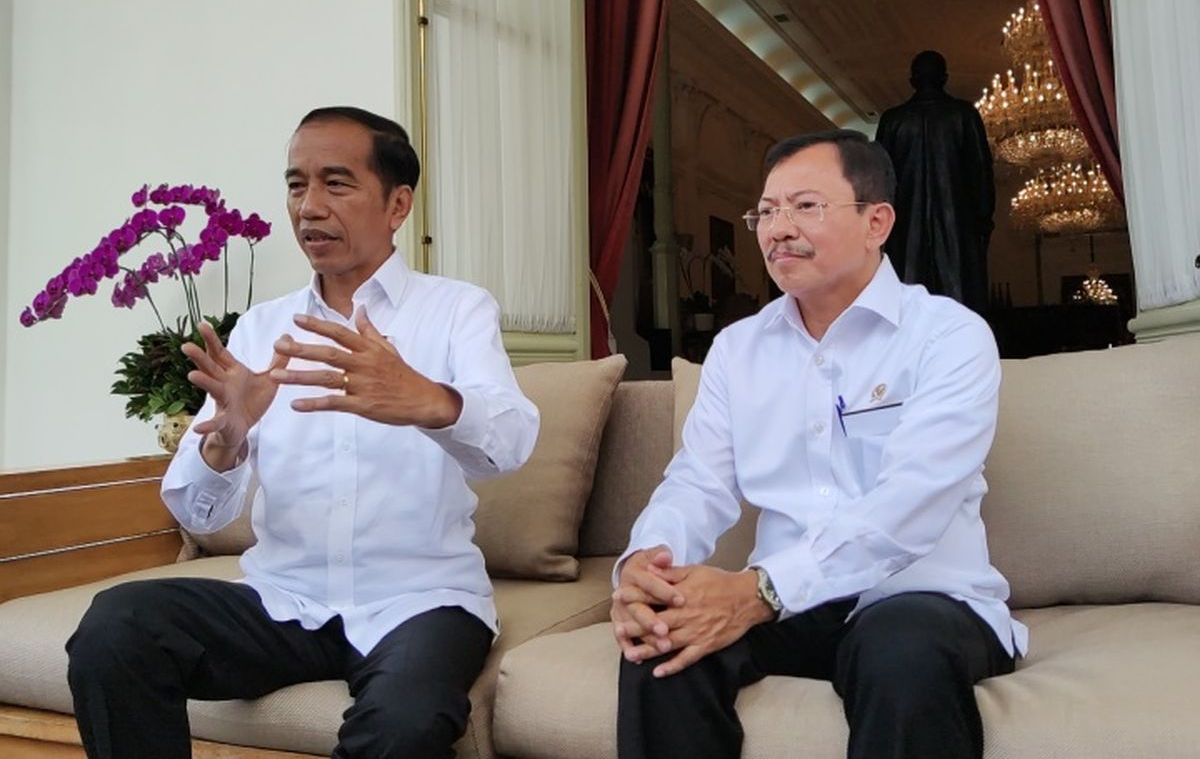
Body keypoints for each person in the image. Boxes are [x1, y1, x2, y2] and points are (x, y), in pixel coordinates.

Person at [66, 106, 540, 759]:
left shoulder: (457, 310)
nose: (309, 206)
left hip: (420, 602)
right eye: (296, 184)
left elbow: (511, 445)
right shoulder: (263, 329)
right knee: (116, 627)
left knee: (405, 723)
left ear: (397, 204)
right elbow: (194, 507)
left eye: (336, 183)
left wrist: (425, 398)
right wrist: (225, 439)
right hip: (282, 601)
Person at [612, 130, 1025, 759]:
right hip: (785, 604)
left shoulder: (948, 336)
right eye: (767, 211)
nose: (778, 228)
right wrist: (648, 567)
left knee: (900, 653)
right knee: (661, 644)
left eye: (805, 206)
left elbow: (910, 502)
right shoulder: (736, 349)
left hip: (919, 595)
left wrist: (758, 590)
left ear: (876, 222)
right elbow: (698, 480)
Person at [875, 50, 995, 315]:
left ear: (911, 80)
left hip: (905, 230)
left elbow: (880, 182)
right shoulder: (964, 115)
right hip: (958, 228)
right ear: (945, 77)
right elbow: (981, 174)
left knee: (907, 310)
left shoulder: (893, 120)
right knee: (961, 306)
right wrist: (983, 223)